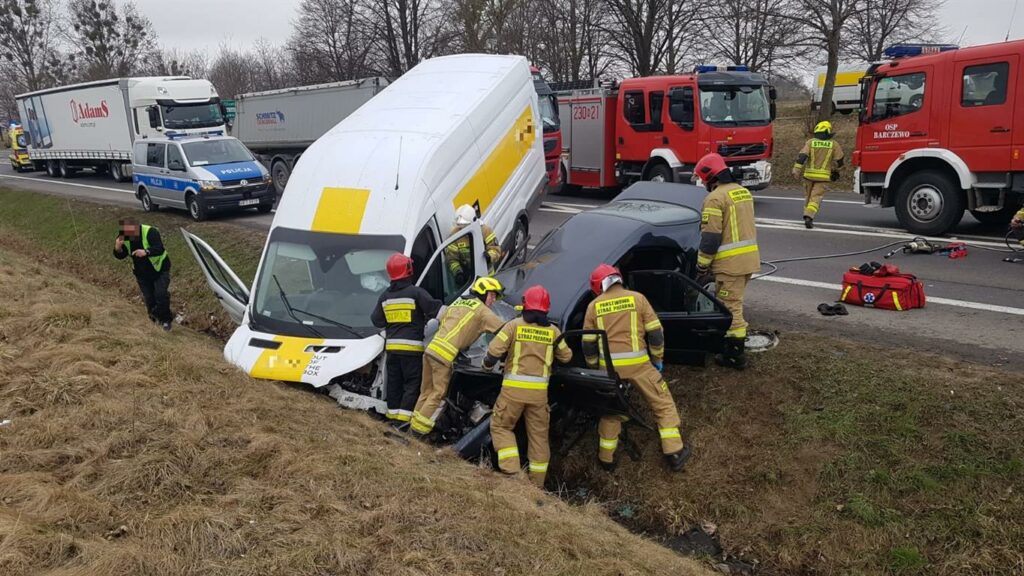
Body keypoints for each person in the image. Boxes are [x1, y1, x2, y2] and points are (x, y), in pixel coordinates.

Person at [583, 264, 690, 472]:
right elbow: (656, 333)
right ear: (618, 279)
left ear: (598, 286)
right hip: (639, 366)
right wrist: (657, 358)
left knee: (611, 410)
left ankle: (606, 458)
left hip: (610, 371)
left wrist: (595, 369)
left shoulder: (593, 306)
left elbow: (588, 344)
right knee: (662, 403)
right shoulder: (638, 298)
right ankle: (674, 452)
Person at [483, 285, 571, 488]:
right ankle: (536, 485)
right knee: (539, 438)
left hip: (512, 393)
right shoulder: (554, 332)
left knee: (501, 427)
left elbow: (493, 352)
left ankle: (512, 474)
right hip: (539, 396)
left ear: (525, 304)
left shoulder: (513, 326)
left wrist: (487, 366)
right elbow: (566, 357)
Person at [411, 276, 507, 437]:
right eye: (492, 295)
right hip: (444, 355)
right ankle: (418, 434)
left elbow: (446, 323)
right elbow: (505, 332)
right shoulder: (482, 311)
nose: (493, 299)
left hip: (430, 350)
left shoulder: (457, 303)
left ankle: (412, 428)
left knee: (425, 392)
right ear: (483, 292)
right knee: (438, 395)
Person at [693, 152, 760, 369]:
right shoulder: (743, 193)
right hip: (748, 260)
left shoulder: (714, 198)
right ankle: (731, 347)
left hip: (730, 265)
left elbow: (710, 238)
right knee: (733, 303)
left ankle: (734, 355)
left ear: (708, 177)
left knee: (731, 309)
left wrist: (702, 265)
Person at [371, 253, 443, 426]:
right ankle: (404, 422)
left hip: (392, 350)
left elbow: (376, 320)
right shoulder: (416, 293)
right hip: (412, 350)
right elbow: (436, 310)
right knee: (411, 384)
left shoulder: (385, 297)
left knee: (394, 383)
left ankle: (392, 417)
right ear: (409, 270)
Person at [113, 218, 173, 331]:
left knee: (160, 294)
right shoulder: (123, 236)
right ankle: (154, 320)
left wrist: (146, 252)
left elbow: (159, 248)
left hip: (160, 268)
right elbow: (121, 255)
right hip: (141, 273)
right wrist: (118, 248)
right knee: (149, 298)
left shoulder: (151, 232)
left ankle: (166, 321)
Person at [792, 120, 844, 229]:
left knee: (808, 197)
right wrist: (837, 171)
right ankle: (809, 216)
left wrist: (796, 170)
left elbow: (802, 157)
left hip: (808, 176)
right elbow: (839, 161)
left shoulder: (810, 142)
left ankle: (806, 214)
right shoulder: (834, 144)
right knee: (816, 198)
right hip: (823, 178)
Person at [446, 204, 503, 282]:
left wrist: (489, 257)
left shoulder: (485, 231)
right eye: (460, 226)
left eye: (465, 226)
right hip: (469, 279)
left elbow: (496, 250)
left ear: (473, 221)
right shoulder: (455, 235)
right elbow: (452, 259)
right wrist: (458, 272)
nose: (462, 229)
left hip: (487, 275)